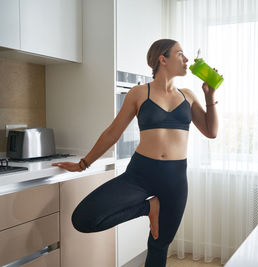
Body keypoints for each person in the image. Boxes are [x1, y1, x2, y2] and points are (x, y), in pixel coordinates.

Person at [52, 39, 219, 267]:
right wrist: (83, 164)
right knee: (83, 219)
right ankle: (150, 207)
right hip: (140, 174)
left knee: (159, 245)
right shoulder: (139, 93)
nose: (187, 59)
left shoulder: (188, 95)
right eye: (180, 54)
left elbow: (211, 131)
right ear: (163, 58)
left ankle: (152, 210)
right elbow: (112, 133)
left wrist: (210, 95)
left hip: (175, 179)